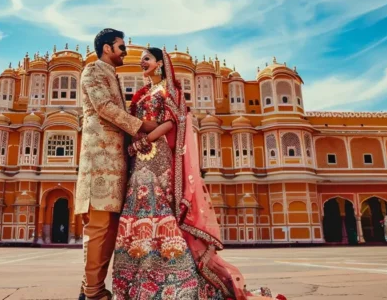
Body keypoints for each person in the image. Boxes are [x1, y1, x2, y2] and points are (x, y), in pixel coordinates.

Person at [111, 47, 279, 300]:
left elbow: (172, 122)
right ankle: (137, 278)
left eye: (147, 58)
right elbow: (134, 122)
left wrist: (145, 141)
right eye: (141, 59)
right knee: (137, 207)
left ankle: (174, 280)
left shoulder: (171, 91)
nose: (141, 62)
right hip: (138, 158)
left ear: (160, 63)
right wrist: (135, 141)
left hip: (158, 156)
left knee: (159, 208)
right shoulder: (141, 94)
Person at [76, 28, 157, 300]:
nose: (125, 52)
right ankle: (94, 293)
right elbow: (104, 108)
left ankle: (89, 287)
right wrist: (142, 126)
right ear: (108, 48)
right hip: (99, 163)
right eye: (121, 47)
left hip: (114, 163)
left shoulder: (112, 75)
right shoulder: (93, 70)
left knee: (108, 228)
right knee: (99, 227)